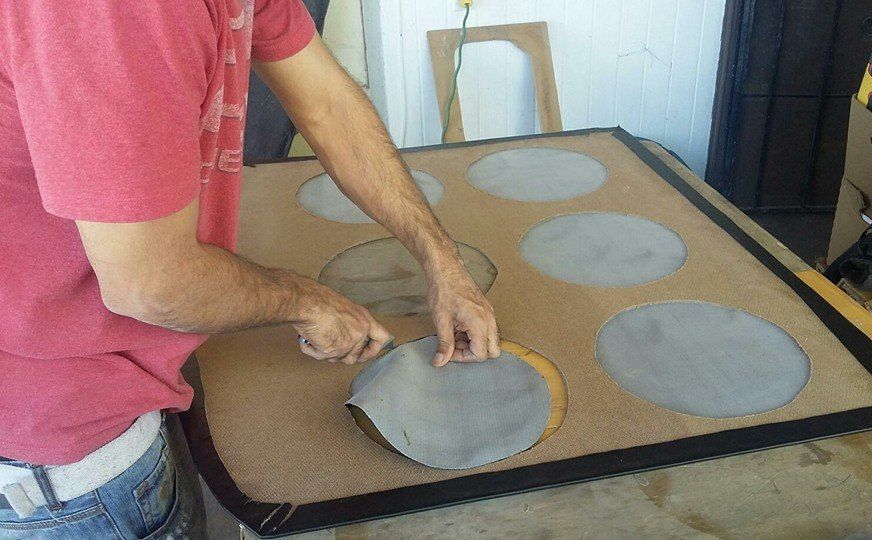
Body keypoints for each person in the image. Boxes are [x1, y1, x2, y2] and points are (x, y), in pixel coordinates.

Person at [0, 1, 500, 537]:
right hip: (60, 448)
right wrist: (307, 303)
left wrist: (442, 260)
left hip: (119, 382)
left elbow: (328, 105)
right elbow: (151, 283)